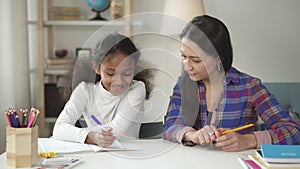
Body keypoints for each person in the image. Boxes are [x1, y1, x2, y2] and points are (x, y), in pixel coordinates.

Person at [162, 15, 300, 152]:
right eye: (183, 57)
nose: (187, 66)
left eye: (196, 60)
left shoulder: (249, 87)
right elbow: (170, 126)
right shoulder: (183, 84)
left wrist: (249, 140)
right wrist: (192, 135)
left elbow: (293, 132)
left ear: (218, 58)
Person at [53, 33, 154, 147]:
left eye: (127, 73)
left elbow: (116, 132)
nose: (119, 81)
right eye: (110, 74)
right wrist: (91, 136)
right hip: (96, 156)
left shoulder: (137, 88)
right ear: (96, 67)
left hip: (128, 157)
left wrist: (74, 134)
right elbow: (58, 129)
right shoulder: (85, 91)